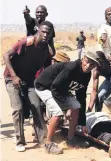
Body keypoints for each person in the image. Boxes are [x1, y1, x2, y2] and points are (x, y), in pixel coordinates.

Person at [34, 51, 100, 154]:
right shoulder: (71, 68)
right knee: (58, 112)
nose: (88, 66)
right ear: (83, 59)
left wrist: (82, 123)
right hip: (44, 86)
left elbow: (81, 97)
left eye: (92, 65)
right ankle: (48, 143)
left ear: (95, 66)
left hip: (61, 88)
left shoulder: (87, 75)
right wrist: (66, 108)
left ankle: (71, 139)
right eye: (87, 61)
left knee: (76, 106)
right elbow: (54, 88)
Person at [3, 21, 54, 152]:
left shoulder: (46, 51)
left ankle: (44, 140)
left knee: (36, 107)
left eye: (48, 33)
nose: (45, 34)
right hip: (11, 78)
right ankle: (20, 140)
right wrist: (14, 76)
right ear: (38, 31)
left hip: (29, 80)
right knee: (18, 108)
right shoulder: (26, 43)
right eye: (43, 31)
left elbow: (47, 67)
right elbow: (6, 55)